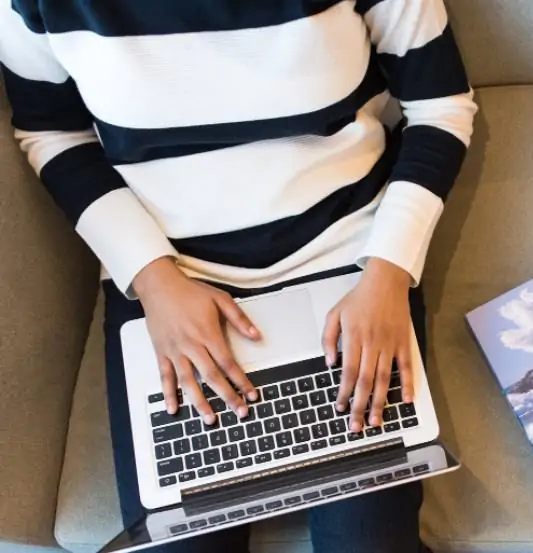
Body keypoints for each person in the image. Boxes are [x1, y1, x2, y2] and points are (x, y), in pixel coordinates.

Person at [0, 1, 476, 551]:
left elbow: (441, 106)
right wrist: (153, 281)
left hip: (350, 260)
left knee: (368, 542)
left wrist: (388, 273)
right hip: (169, 276)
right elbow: (53, 134)